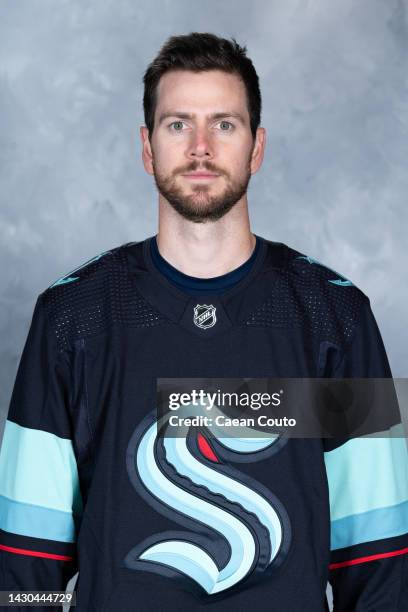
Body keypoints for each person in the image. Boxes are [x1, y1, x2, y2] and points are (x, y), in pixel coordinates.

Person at [0, 32, 407, 611]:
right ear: (147, 148)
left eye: (224, 124)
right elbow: (24, 562)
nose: (199, 148)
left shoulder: (336, 316)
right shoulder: (71, 315)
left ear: (256, 147)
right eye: (176, 125)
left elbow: (379, 556)